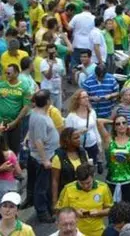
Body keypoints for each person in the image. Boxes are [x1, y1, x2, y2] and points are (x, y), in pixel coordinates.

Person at [97, 115, 130, 217]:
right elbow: (99, 121)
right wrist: (112, 121)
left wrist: (128, 126)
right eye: (118, 124)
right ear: (114, 127)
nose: (121, 125)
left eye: (124, 123)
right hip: (112, 182)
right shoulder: (108, 140)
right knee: (114, 215)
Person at [28, 89, 60, 223]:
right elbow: (39, 141)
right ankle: (42, 213)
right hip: (43, 157)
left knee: (40, 185)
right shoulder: (40, 118)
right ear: (48, 101)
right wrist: (45, 160)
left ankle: (45, 208)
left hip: (43, 154)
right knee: (42, 187)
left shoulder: (36, 113)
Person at [56, 164, 114, 236]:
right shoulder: (68, 189)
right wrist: (75, 212)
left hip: (97, 232)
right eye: (82, 183)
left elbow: (111, 209)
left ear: (93, 176)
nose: (85, 186)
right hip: (75, 233)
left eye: (88, 183)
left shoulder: (103, 188)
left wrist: (99, 212)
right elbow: (59, 211)